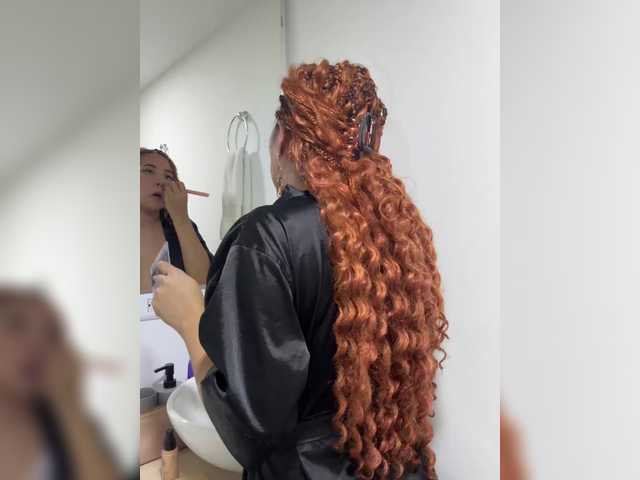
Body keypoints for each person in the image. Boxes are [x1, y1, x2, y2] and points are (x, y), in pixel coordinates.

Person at [152, 60, 448, 479]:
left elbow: (251, 431)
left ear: (287, 140)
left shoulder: (269, 235)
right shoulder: (393, 230)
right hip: (390, 463)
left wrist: (189, 321)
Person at [0, 287, 124, 480]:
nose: (36, 343)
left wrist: (69, 405)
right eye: (16, 324)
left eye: (51, 334)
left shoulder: (70, 425)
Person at [140, 147, 211, 293]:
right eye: (148, 171)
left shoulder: (178, 225)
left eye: (168, 177)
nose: (161, 182)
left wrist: (181, 218)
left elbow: (204, 283)